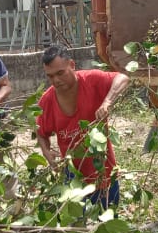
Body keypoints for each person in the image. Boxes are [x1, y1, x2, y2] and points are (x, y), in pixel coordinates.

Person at [36, 46, 130, 207]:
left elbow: (124, 77)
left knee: (107, 223)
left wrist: (107, 101)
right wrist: (46, 151)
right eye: (50, 76)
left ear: (72, 65)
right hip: (73, 177)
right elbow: (40, 132)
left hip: (103, 171)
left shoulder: (91, 80)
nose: (56, 81)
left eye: (60, 73)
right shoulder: (46, 102)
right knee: (80, 227)